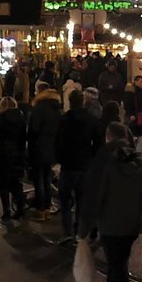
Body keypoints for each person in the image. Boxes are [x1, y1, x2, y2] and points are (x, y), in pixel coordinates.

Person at [80, 122, 142, 282]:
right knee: (117, 263)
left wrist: (84, 228)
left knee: (118, 268)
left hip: (109, 225)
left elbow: (94, 197)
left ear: (109, 137)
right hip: (131, 226)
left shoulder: (104, 163)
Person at [55, 91, 102, 245]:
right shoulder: (91, 120)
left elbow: (59, 142)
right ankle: (79, 232)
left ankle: (67, 231)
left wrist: (59, 158)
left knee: (65, 199)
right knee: (82, 200)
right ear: (82, 101)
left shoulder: (64, 119)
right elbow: (98, 142)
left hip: (69, 165)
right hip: (84, 164)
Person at [0, 97, 30, 221]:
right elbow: (24, 137)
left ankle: (6, 211)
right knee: (16, 184)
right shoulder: (21, 118)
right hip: (17, 152)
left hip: (3, 154)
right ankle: (20, 209)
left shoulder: (0, 118)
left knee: (3, 185)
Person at [26, 84, 63, 220]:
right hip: (52, 148)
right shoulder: (56, 110)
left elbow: (33, 130)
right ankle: (47, 207)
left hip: (39, 147)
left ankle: (40, 209)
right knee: (47, 179)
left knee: (38, 180)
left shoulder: (39, 109)